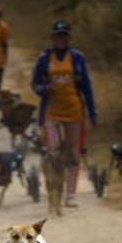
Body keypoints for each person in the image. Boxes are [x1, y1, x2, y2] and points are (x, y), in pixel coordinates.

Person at [31, 21, 97, 208]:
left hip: (75, 112)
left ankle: (70, 193)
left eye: (64, 35)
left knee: (73, 153)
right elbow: (35, 84)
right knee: (54, 151)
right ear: (53, 38)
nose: (61, 39)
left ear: (69, 38)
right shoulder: (44, 58)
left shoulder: (77, 58)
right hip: (52, 112)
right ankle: (54, 187)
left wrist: (93, 114)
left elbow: (87, 88)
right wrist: (44, 89)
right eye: (58, 35)